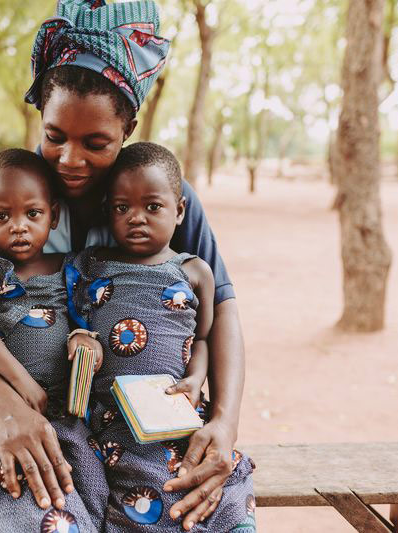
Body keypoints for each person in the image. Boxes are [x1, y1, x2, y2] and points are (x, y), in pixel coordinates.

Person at [0, 0, 250, 528]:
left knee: (198, 513)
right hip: (22, 417)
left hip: (142, 428)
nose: (70, 159)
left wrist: (225, 422)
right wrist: (2, 408)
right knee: (45, 511)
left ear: (127, 126)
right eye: (54, 135)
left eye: (95, 142)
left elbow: (224, 313)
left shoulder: (157, 192)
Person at [67, 142, 255, 532]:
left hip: (175, 410)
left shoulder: (194, 272)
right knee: (129, 488)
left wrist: (195, 380)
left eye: (152, 207)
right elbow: (70, 318)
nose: (136, 218)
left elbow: (203, 338)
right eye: (122, 208)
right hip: (111, 415)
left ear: (180, 210)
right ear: (108, 212)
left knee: (209, 480)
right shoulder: (91, 266)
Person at [0, 148, 109, 531]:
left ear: (53, 215)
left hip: (61, 411)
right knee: (23, 480)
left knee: (89, 479)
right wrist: (21, 383)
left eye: (32, 214)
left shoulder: (69, 267)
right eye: (2, 216)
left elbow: (81, 321)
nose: (18, 226)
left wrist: (86, 341)